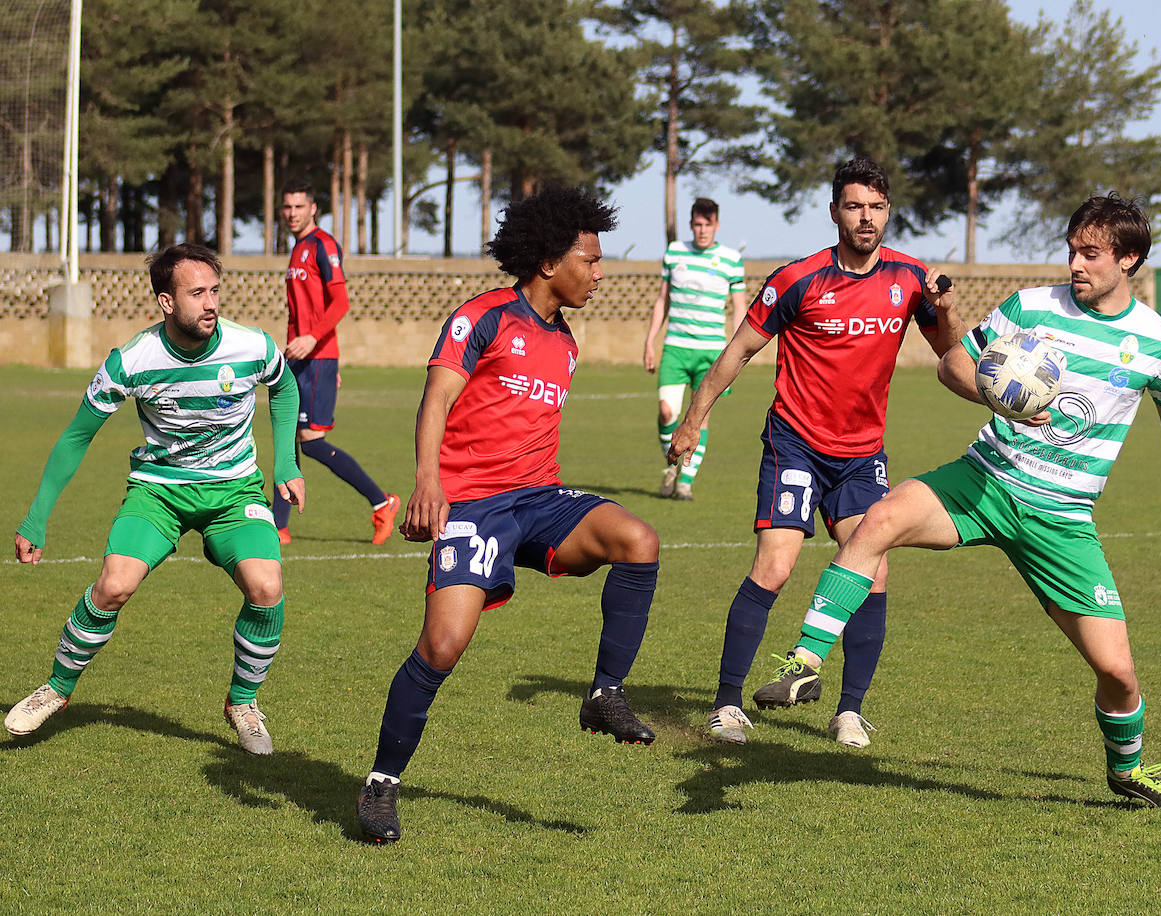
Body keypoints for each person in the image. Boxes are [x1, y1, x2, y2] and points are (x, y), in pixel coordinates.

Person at [753, 193, 1161, 812]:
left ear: (1130, 258)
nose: (1076, 265)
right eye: (1072, 251)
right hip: (986, 481)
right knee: (881, 519)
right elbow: (953, 366)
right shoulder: (1031, 306)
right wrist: (998, 395)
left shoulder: (1158, 344)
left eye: (1092, 253)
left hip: (1062, 519)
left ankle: (1129, 770)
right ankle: (807, 658)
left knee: (1118, 673)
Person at [356, 186, 661, 844]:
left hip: (540, 500)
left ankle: (605, 693)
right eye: (592, 260)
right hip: (472, 504)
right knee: (442, 646)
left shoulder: (567, 343)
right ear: (551, 261)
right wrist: (428, 483)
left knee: (638, 540)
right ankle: (382, 784)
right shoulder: (485, 317)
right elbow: (437, 396)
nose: (600, 274)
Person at [667, 156, 964, 748]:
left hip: (862, 454)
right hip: (794, 443)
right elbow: (736, 353)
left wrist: (948, 309)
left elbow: (950, 354)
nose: (866, 218)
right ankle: (726, 704)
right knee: (775, 568)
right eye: (855, 206)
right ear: (834, 212)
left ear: (888, 213)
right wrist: (693, 420)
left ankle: (849, 710)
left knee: (874, 573)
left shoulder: (910, 280)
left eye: (877, 208)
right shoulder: (798, 278)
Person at [6, 243, 306, 755]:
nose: (210, 302)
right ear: (167, 302)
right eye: (196, 293)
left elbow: (284, 386)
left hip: (233, 493)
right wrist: (36, 519)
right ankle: (55, 690)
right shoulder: (131, 360)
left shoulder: (251, 345)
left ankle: (242, 702)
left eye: (214, 290)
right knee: (113, 585)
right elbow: (77, 435)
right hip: (158, 493)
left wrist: (286, 463)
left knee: (266, 585)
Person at [276, 178, 399, 545]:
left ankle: (382, 502)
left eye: (299, 206)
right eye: (287, 207)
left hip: (317, 357)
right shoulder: (297, 248)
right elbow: (304, 309)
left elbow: (339, 303)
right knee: (288, 439)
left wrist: (317, 343)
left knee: (311, 441)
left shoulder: (323, 245)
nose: (292, 213)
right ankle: (278, 525)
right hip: (300, 359)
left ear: (313, 208)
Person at [642, 197, 747, 500]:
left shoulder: (730, 259)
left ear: (717, 225)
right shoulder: (675, 252)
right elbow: (663, 299)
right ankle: (672, 464)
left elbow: (739, 307)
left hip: (712, 353)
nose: (702, 231)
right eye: (697, 225)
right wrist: (650, 340)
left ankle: (685, 482)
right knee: (666, 412)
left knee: (699, 418)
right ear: (691, 225)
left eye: (708, 225)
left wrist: (737, 349)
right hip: (676, 347)